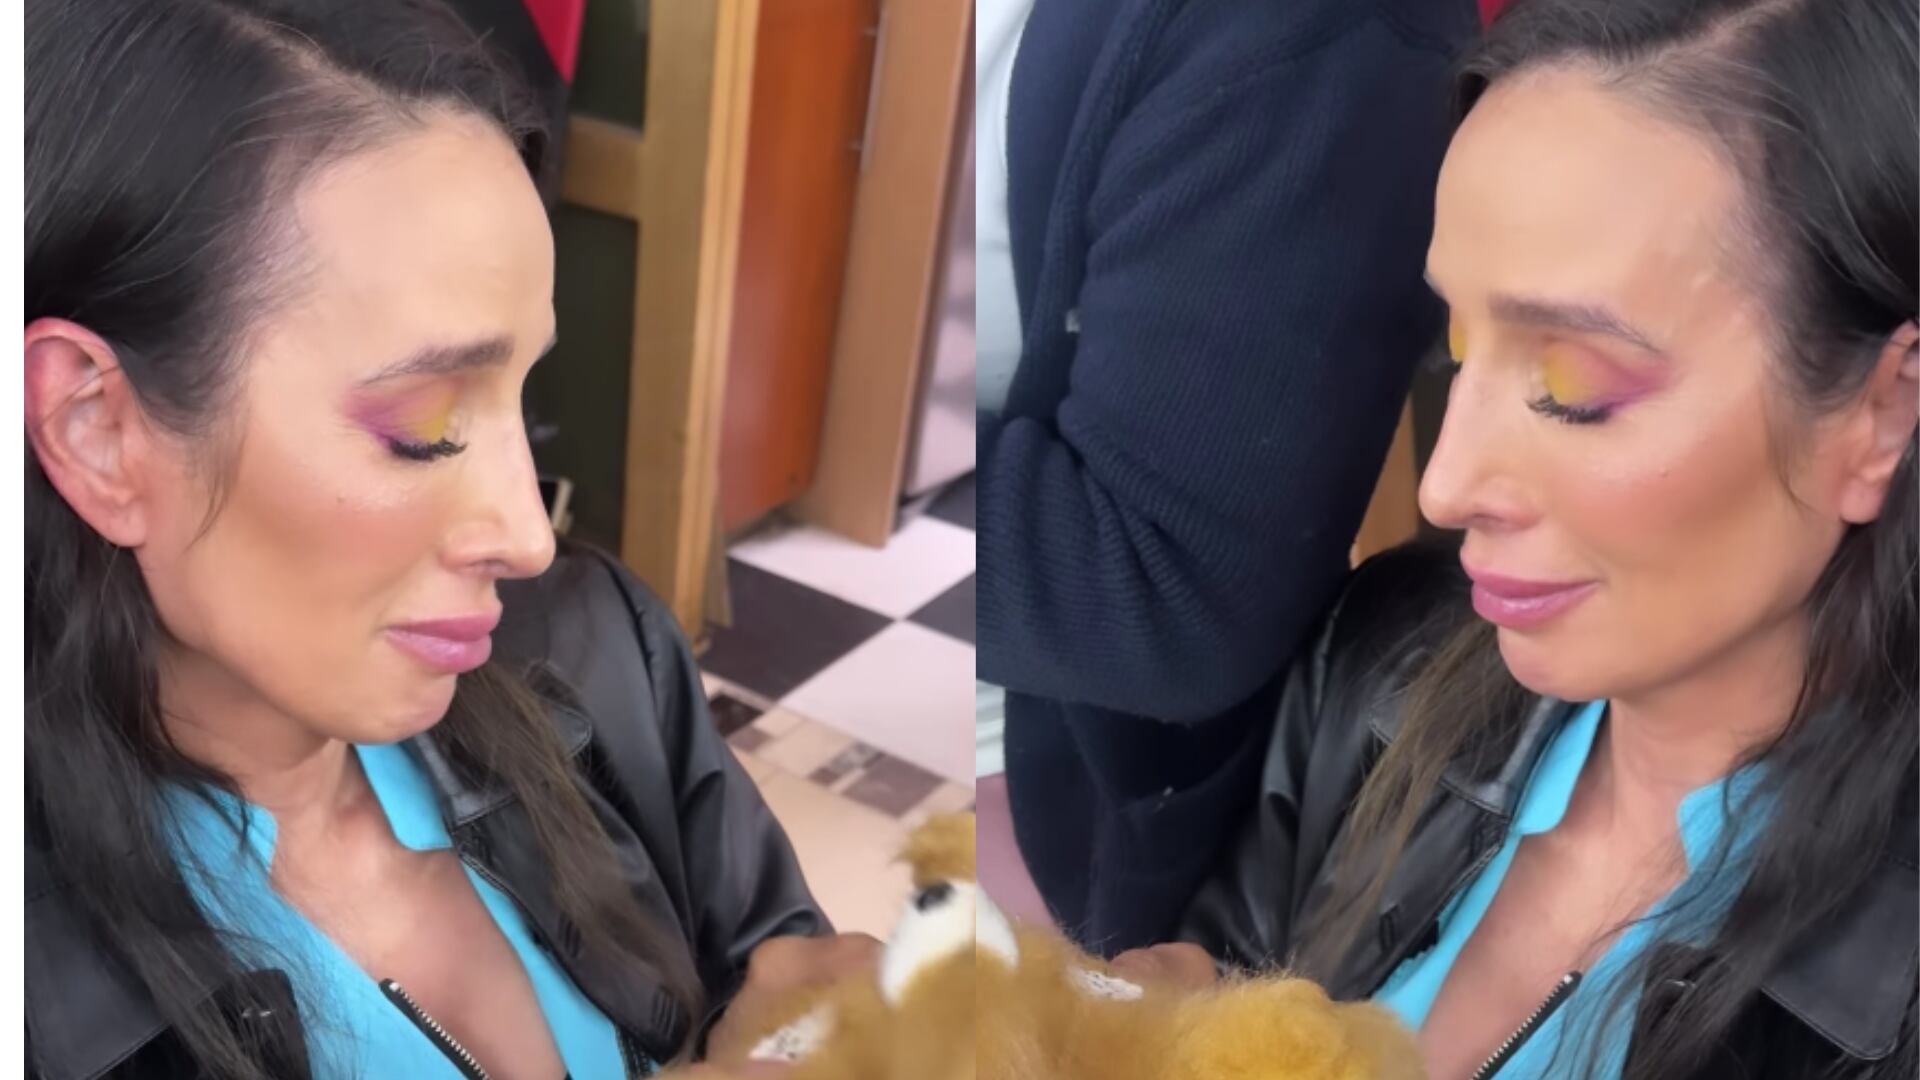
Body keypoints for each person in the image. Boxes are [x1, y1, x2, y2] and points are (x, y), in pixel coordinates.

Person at [23, 2, 874, 1077]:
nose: (529, 538)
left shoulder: (606, 660)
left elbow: (781, 975)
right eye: (425, 425)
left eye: (524, 396)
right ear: (97, 432)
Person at [1090, 0, 1919, 1077]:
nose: (1445, 487)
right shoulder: (1384, 667)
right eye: (1458, 351)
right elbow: (1242, 965)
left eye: (1571, 382)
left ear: (1881, 413)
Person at [974, 0, 1483, 944]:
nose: (1453, 491)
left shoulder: (1313, 37)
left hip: (1056, 803)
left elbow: (1169, 590)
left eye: (1576, 391)